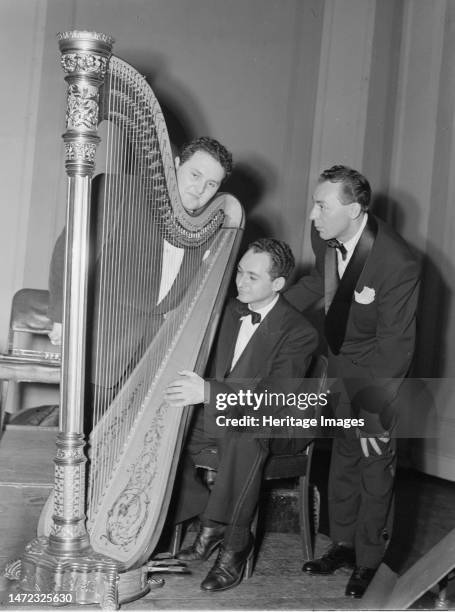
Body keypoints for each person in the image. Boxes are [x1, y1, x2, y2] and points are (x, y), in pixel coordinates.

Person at [284, 165, 420, 598]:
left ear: (355, 210)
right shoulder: (323, 236)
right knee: (341, 459)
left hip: (377, 376)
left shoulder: (397, 263)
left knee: (374, 466)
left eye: (322, 205)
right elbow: (320, 286)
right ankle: (342, 544)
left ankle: (369, 562)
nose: (312, 215)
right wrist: (271, 303)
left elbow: (395, 347)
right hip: (337, 369)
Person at [165, 238, 318, 592]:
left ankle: (234, 543)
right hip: (222, 413)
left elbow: (275, 397)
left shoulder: (299, 331)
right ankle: (205, 515)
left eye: (253, 277)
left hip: (276, 423)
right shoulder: (227, 312)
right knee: (169, 426)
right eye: (239, 272)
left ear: (278, 284)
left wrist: (207, 391)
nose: (241, 282)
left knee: (244, 432)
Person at [47, 137, 233, 397]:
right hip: (103, 344)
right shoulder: (118, 190)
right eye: (195, 174)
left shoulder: (209, 228)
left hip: (155, 355)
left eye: (211, 184)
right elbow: (69, 249)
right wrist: (61, 317)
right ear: (175, 164)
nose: (200, 188)